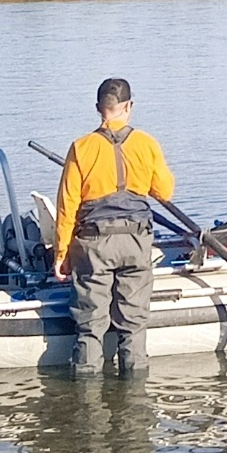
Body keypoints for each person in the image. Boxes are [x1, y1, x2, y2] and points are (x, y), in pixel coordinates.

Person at [54, 77, 176, 376]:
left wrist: (61, 254)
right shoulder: (147, 144)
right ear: (128, 106)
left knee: (90, 324)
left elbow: (67, 206)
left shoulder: (81, 147)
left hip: (95, 244)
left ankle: (87, 394)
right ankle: (134, 395)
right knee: (134, 324)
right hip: (136, 241)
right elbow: (165, 191)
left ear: (99, 109)